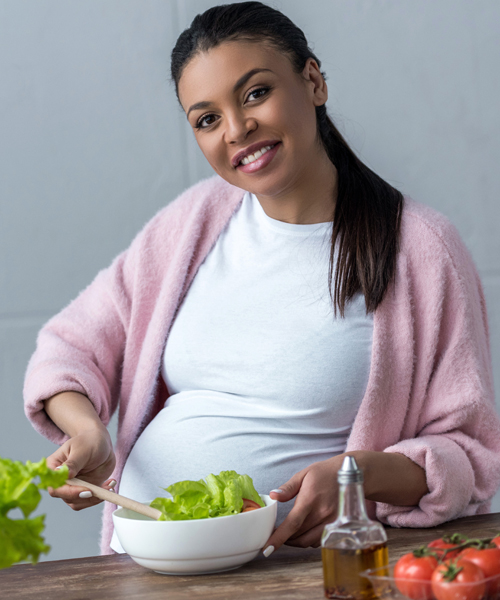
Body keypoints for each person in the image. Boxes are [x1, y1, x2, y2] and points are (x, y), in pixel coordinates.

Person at [24, 1, 500, 557]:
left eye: (255, 93)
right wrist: (88, 433)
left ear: (314, 81)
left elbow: (471, 456)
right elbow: (69, 347)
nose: (237, 129)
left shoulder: (420, 249)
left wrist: (357, 475)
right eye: (207, 119)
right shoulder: (191, 223)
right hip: (143, 570)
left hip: (304, 573)